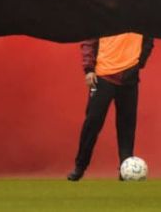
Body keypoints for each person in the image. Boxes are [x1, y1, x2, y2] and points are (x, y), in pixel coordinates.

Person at [66, 32, 154, 181]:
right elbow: (89, 42)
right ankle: (79, 167)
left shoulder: (140, 21)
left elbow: (149, 40)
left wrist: (138, 64)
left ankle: (125, 169)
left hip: (130, 79)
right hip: (102, 77)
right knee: (92, 123)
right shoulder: (103, 20)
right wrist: (89, 69)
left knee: (127, 126)